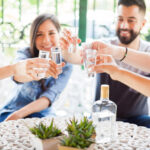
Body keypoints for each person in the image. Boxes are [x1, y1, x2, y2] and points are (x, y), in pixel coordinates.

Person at [0, 13, 72, 122]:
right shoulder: (25, 54)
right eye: (39, 34)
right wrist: (29, 73)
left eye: (51, 33)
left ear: (59, 35)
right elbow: (17, 76)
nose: (46, 40)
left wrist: (18, 115)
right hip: (12, 110)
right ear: (33, 38)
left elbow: (48, 98)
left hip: (42, 115)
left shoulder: (65, 64)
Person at [94, 0, 150, 128]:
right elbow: (76, 57)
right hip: (103, 117)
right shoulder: (105, 45)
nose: (124, 25)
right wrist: (68, 50)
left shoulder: (147, 51)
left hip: (138, 119)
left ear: (142, 24)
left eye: (131, 20)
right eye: (120, 19)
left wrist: (117, 71)